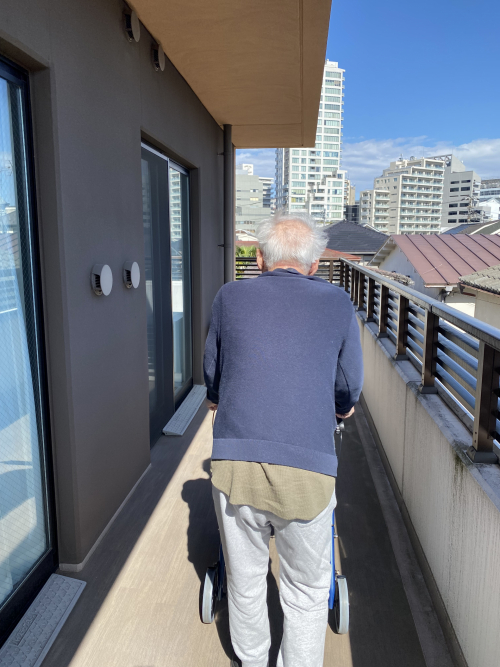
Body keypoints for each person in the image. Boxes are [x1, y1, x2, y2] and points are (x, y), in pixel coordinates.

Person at [203, 212, 363, 667]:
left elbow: (213, 372)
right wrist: (343, 407)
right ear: (313, 265)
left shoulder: (229, 297)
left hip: (235, 465)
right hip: (308, 470)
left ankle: (252, 660)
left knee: (246, 580)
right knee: (307, 589)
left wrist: (217, 397)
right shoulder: (338, 303)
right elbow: (348, 384)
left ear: (259, 259)